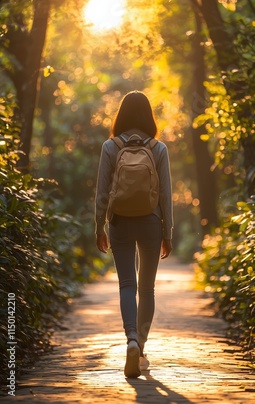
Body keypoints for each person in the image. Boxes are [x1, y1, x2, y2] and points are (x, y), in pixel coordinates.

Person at [95, 90, 173, 378]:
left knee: (127, 284)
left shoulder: (110, 146)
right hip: (152, 222)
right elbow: (166, 194)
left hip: (120, 223)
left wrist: (98, 227)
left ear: (121, 115)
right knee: (147, 288)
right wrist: (169, 231)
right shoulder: (159, 148)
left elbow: (102, 193)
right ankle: (140, 346)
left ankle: (129, 339)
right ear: (148, 116)